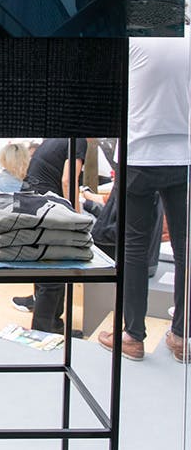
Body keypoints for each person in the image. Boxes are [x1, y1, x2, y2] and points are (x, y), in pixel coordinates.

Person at [98, 36, 190, 362]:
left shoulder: (131, 39)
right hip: (183, 153)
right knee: (185, 248)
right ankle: (182, 335)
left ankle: (133, 336)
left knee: (134, 246)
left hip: (138, 152)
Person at [19, 137, 87, 331]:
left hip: (29, 200)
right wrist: (77, 219)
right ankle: (43, 330)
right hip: (44, 204)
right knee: (53, 272)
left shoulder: (56, 138)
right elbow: (68, 180)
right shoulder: (78, 139)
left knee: (47, 267)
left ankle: (54, 325)